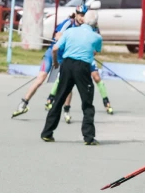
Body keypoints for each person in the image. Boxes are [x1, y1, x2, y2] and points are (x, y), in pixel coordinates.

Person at [11, 5, 86, 119]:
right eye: (80, 15)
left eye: (84, 15)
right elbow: (57, 36)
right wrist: (64, 40)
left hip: (65, 58)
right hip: (52, 54)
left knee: (67, 83)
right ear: (76, 14)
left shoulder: (83, 29)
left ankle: (66, 111)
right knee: (40, 79)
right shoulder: (68, 23)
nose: (82, 18)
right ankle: (23, 104)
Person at [40, 10, 102, 145]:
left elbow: (55, 49)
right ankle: (88, 137)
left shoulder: (69, 32)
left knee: (59, 99)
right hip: (83, 67)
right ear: (96, 23)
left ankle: (47, 133)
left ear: (84, 20)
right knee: (87, 102)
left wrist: (56, 63)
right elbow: (95, 51)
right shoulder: (96, 37)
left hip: (67, 65)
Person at [44, 22, 114, 122]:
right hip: (74, 60)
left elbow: (95, 50)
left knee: (96, 77)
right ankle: (51, 97)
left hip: (87, 58)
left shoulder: (95, 29)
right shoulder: (73, 28)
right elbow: (59, 38)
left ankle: (106, 101)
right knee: (63, 79)